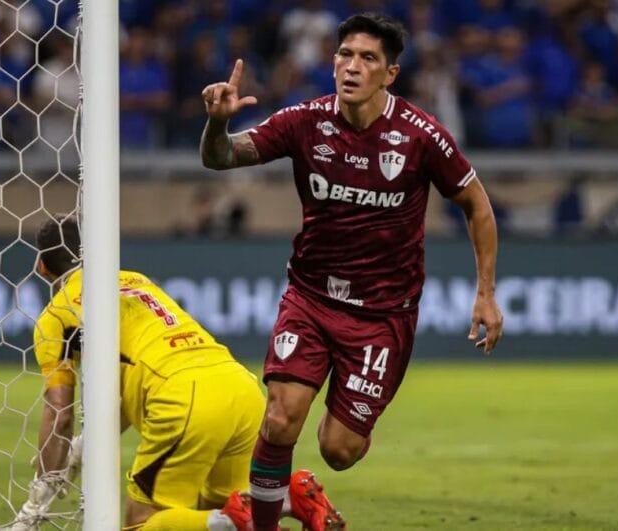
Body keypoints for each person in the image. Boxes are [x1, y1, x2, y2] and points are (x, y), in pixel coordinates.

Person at [200, 13, 504, 530]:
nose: (352, 66)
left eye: (368, 58)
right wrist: (216, 122)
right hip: (311, 298)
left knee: (339, 449)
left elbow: (477, 204)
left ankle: (307, 486)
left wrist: (486, 292)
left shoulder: (421, 136)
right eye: (345, 55)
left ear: (390, 74)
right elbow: (222, 158)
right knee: (279, 418)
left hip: (382, 315)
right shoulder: (304, 121)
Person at [13, 215, 267, 530]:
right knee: (210, 514)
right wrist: (83, 445)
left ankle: (260, 512)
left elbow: (59, 415)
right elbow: (131, 387)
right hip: (241, 387)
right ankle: (282, 502)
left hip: (184, 396)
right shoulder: (136, 279)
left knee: (141, 523)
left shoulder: (55, 316)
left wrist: (36, 501)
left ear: (42, 266)